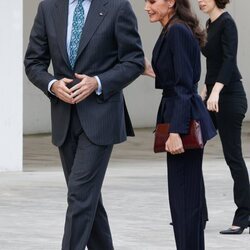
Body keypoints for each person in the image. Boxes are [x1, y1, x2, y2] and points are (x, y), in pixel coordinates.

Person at [24, 0, 144, 249]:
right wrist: (52, 85)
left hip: (101, 119)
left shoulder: (118, 7)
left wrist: (97, 82)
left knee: (79, 195)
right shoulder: (48, 8)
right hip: (64, 120)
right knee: (87, 201)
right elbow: (34, 62)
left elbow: (134, 61)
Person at [144, 0, 216, 249]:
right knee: (185, 200)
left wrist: (175, 131)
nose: (146, 7)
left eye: (152, 1)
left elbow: (185, 85)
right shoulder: (171, 29)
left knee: (185, 202)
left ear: (171, 2)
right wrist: (148, 69)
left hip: (182, 121)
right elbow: (175, 74)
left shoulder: (176, 31)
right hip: (178, 114)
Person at [198, 0, 250, 234]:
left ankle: (244, 215)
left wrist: (216, 90)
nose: (200, 0)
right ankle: (197, 212)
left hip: (229, 98)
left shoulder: (227, 23)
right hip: (213, 95)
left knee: (233, 157)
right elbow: (213, 62)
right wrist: (206, 87)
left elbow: (229, 60)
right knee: (193, 148)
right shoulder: (209, 24)